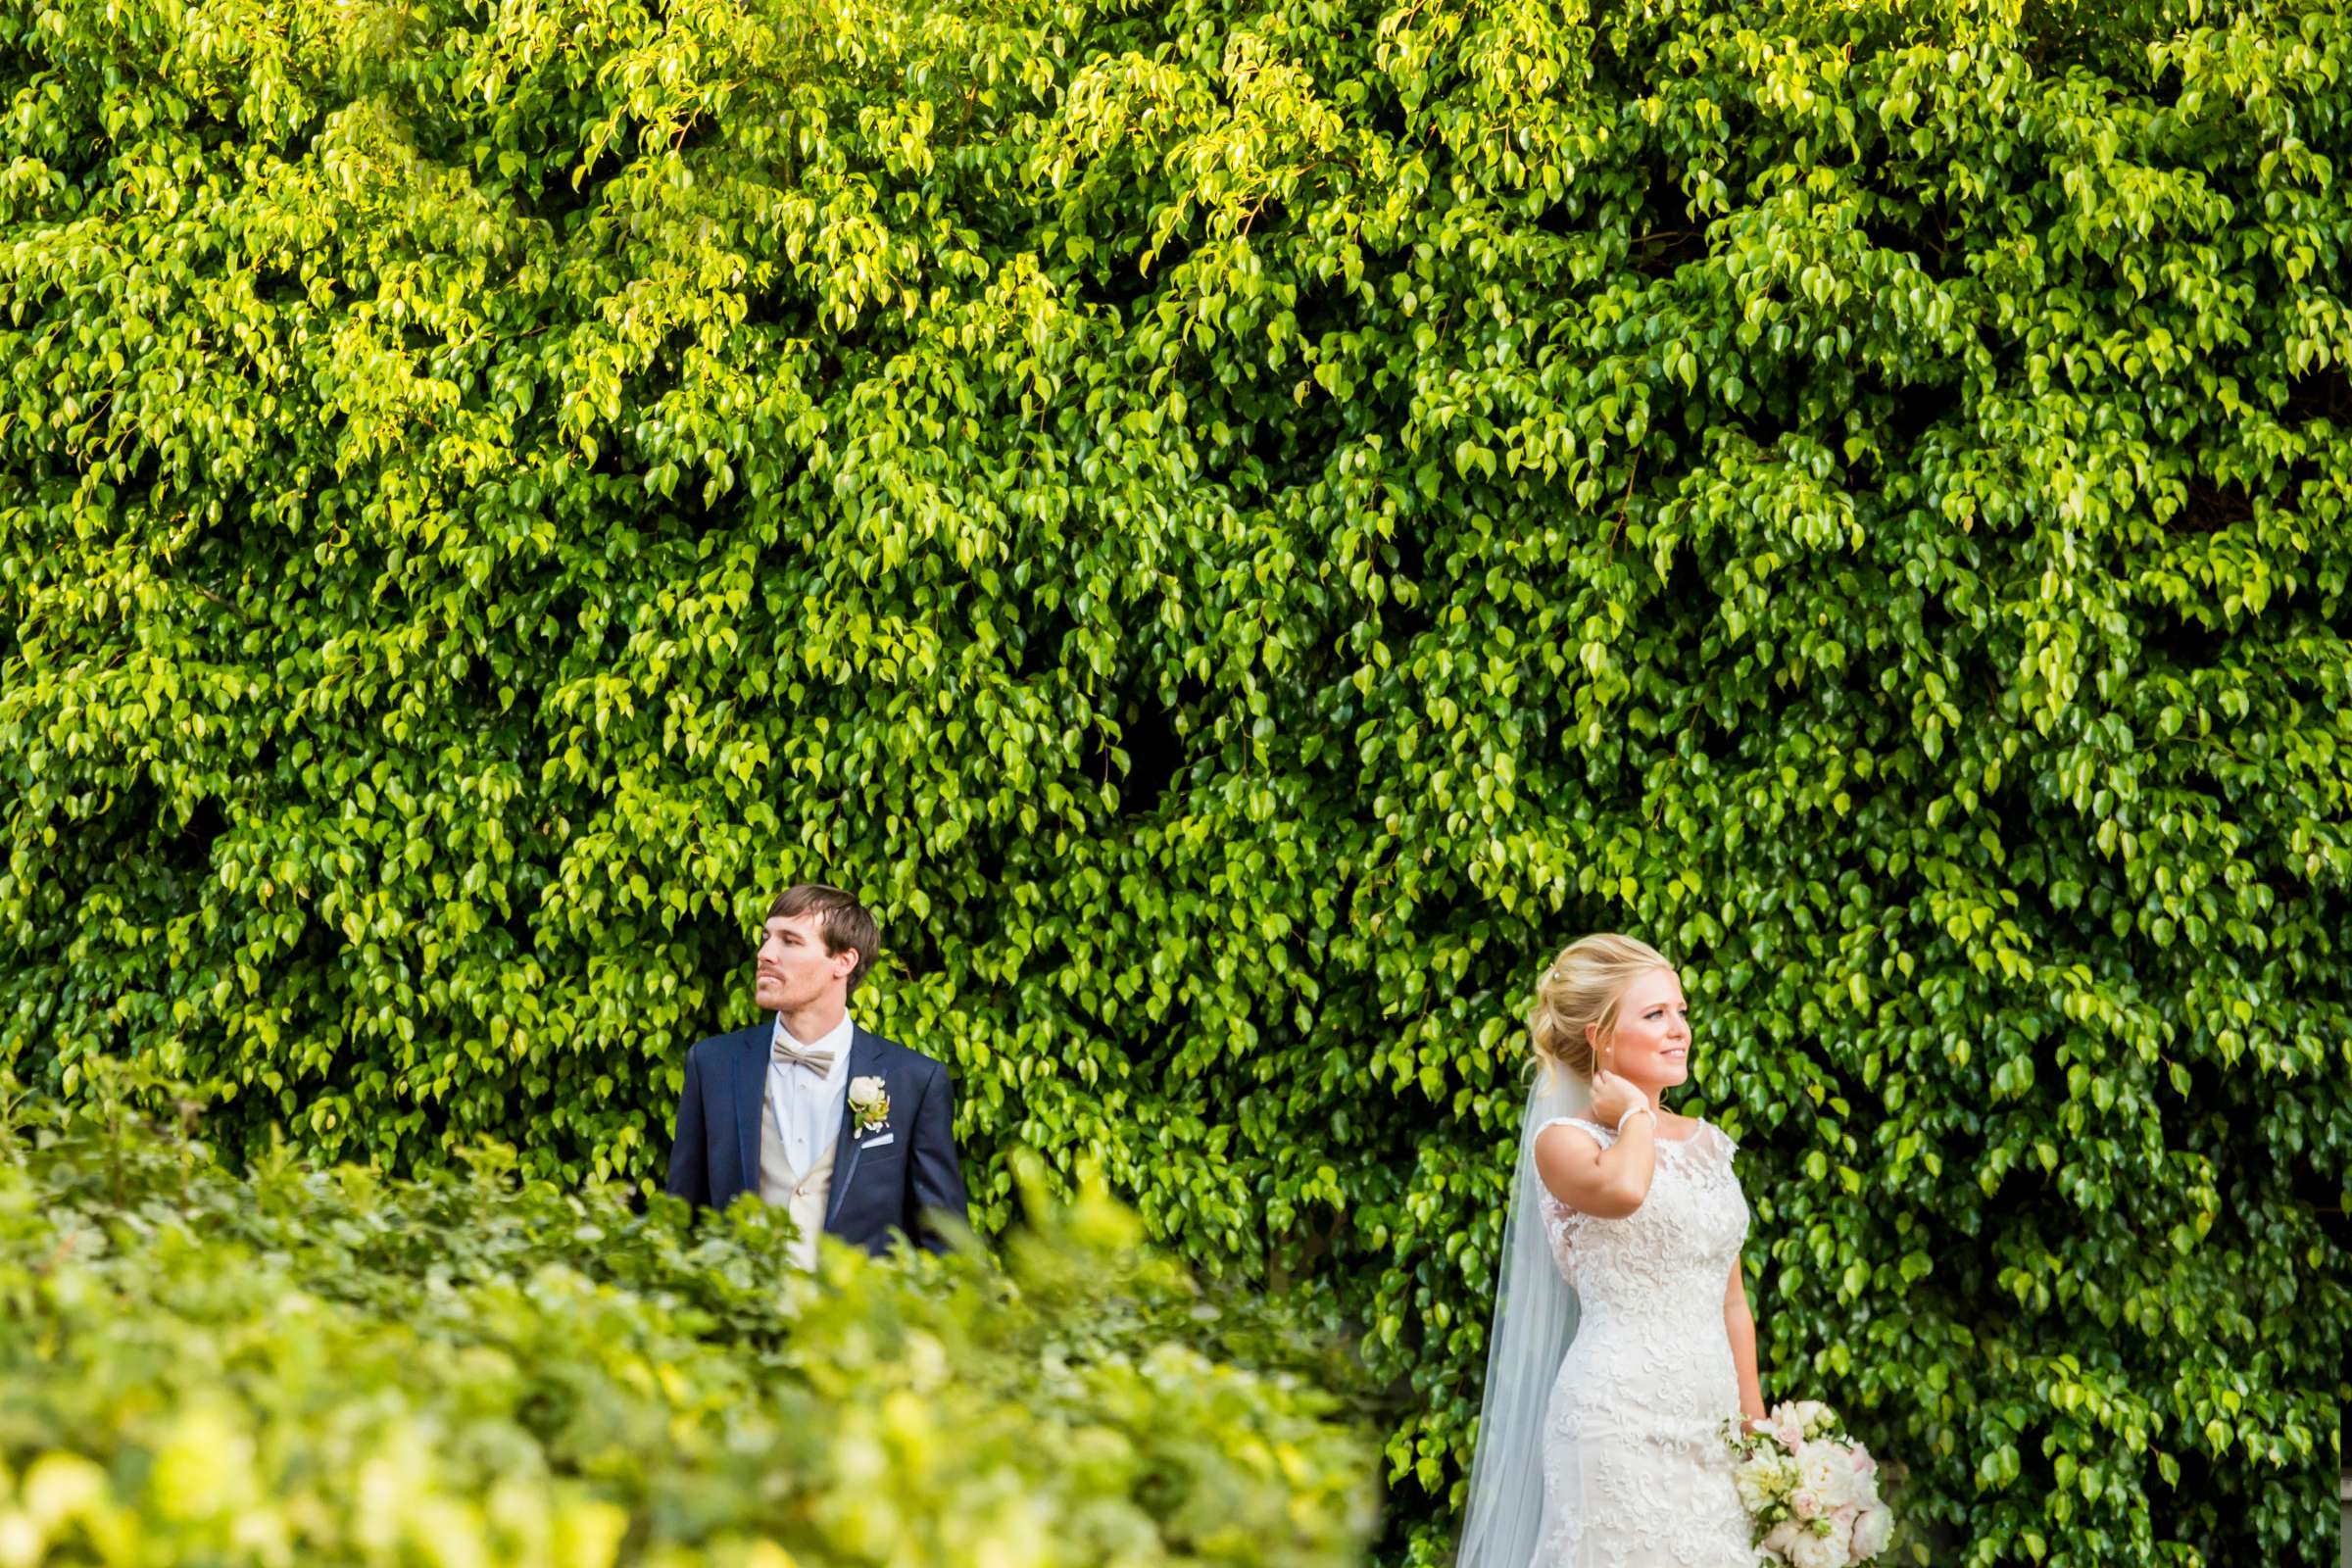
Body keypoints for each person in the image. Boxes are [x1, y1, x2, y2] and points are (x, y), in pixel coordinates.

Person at [1457, 933, 1766, 1567]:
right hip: (1616, 1423)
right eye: (1655, 1014)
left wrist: (1756, 1424)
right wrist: (1635, 1116)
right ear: (1599, 1038)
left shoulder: (1712, 1144)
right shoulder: (1564, 1143)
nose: (1679, 1029)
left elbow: (1731, 1301)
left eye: (1680, 1011)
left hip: (1712, 1430)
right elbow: (1627, 1188)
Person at [663, 882, 968, 1266]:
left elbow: (944, 1241)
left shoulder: (914, 1082)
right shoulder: (713, 1066)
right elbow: (680, 1219)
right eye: (765, 938)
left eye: (790, 941)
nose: (765, 954)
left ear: (843, 961)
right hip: (744, 1317)